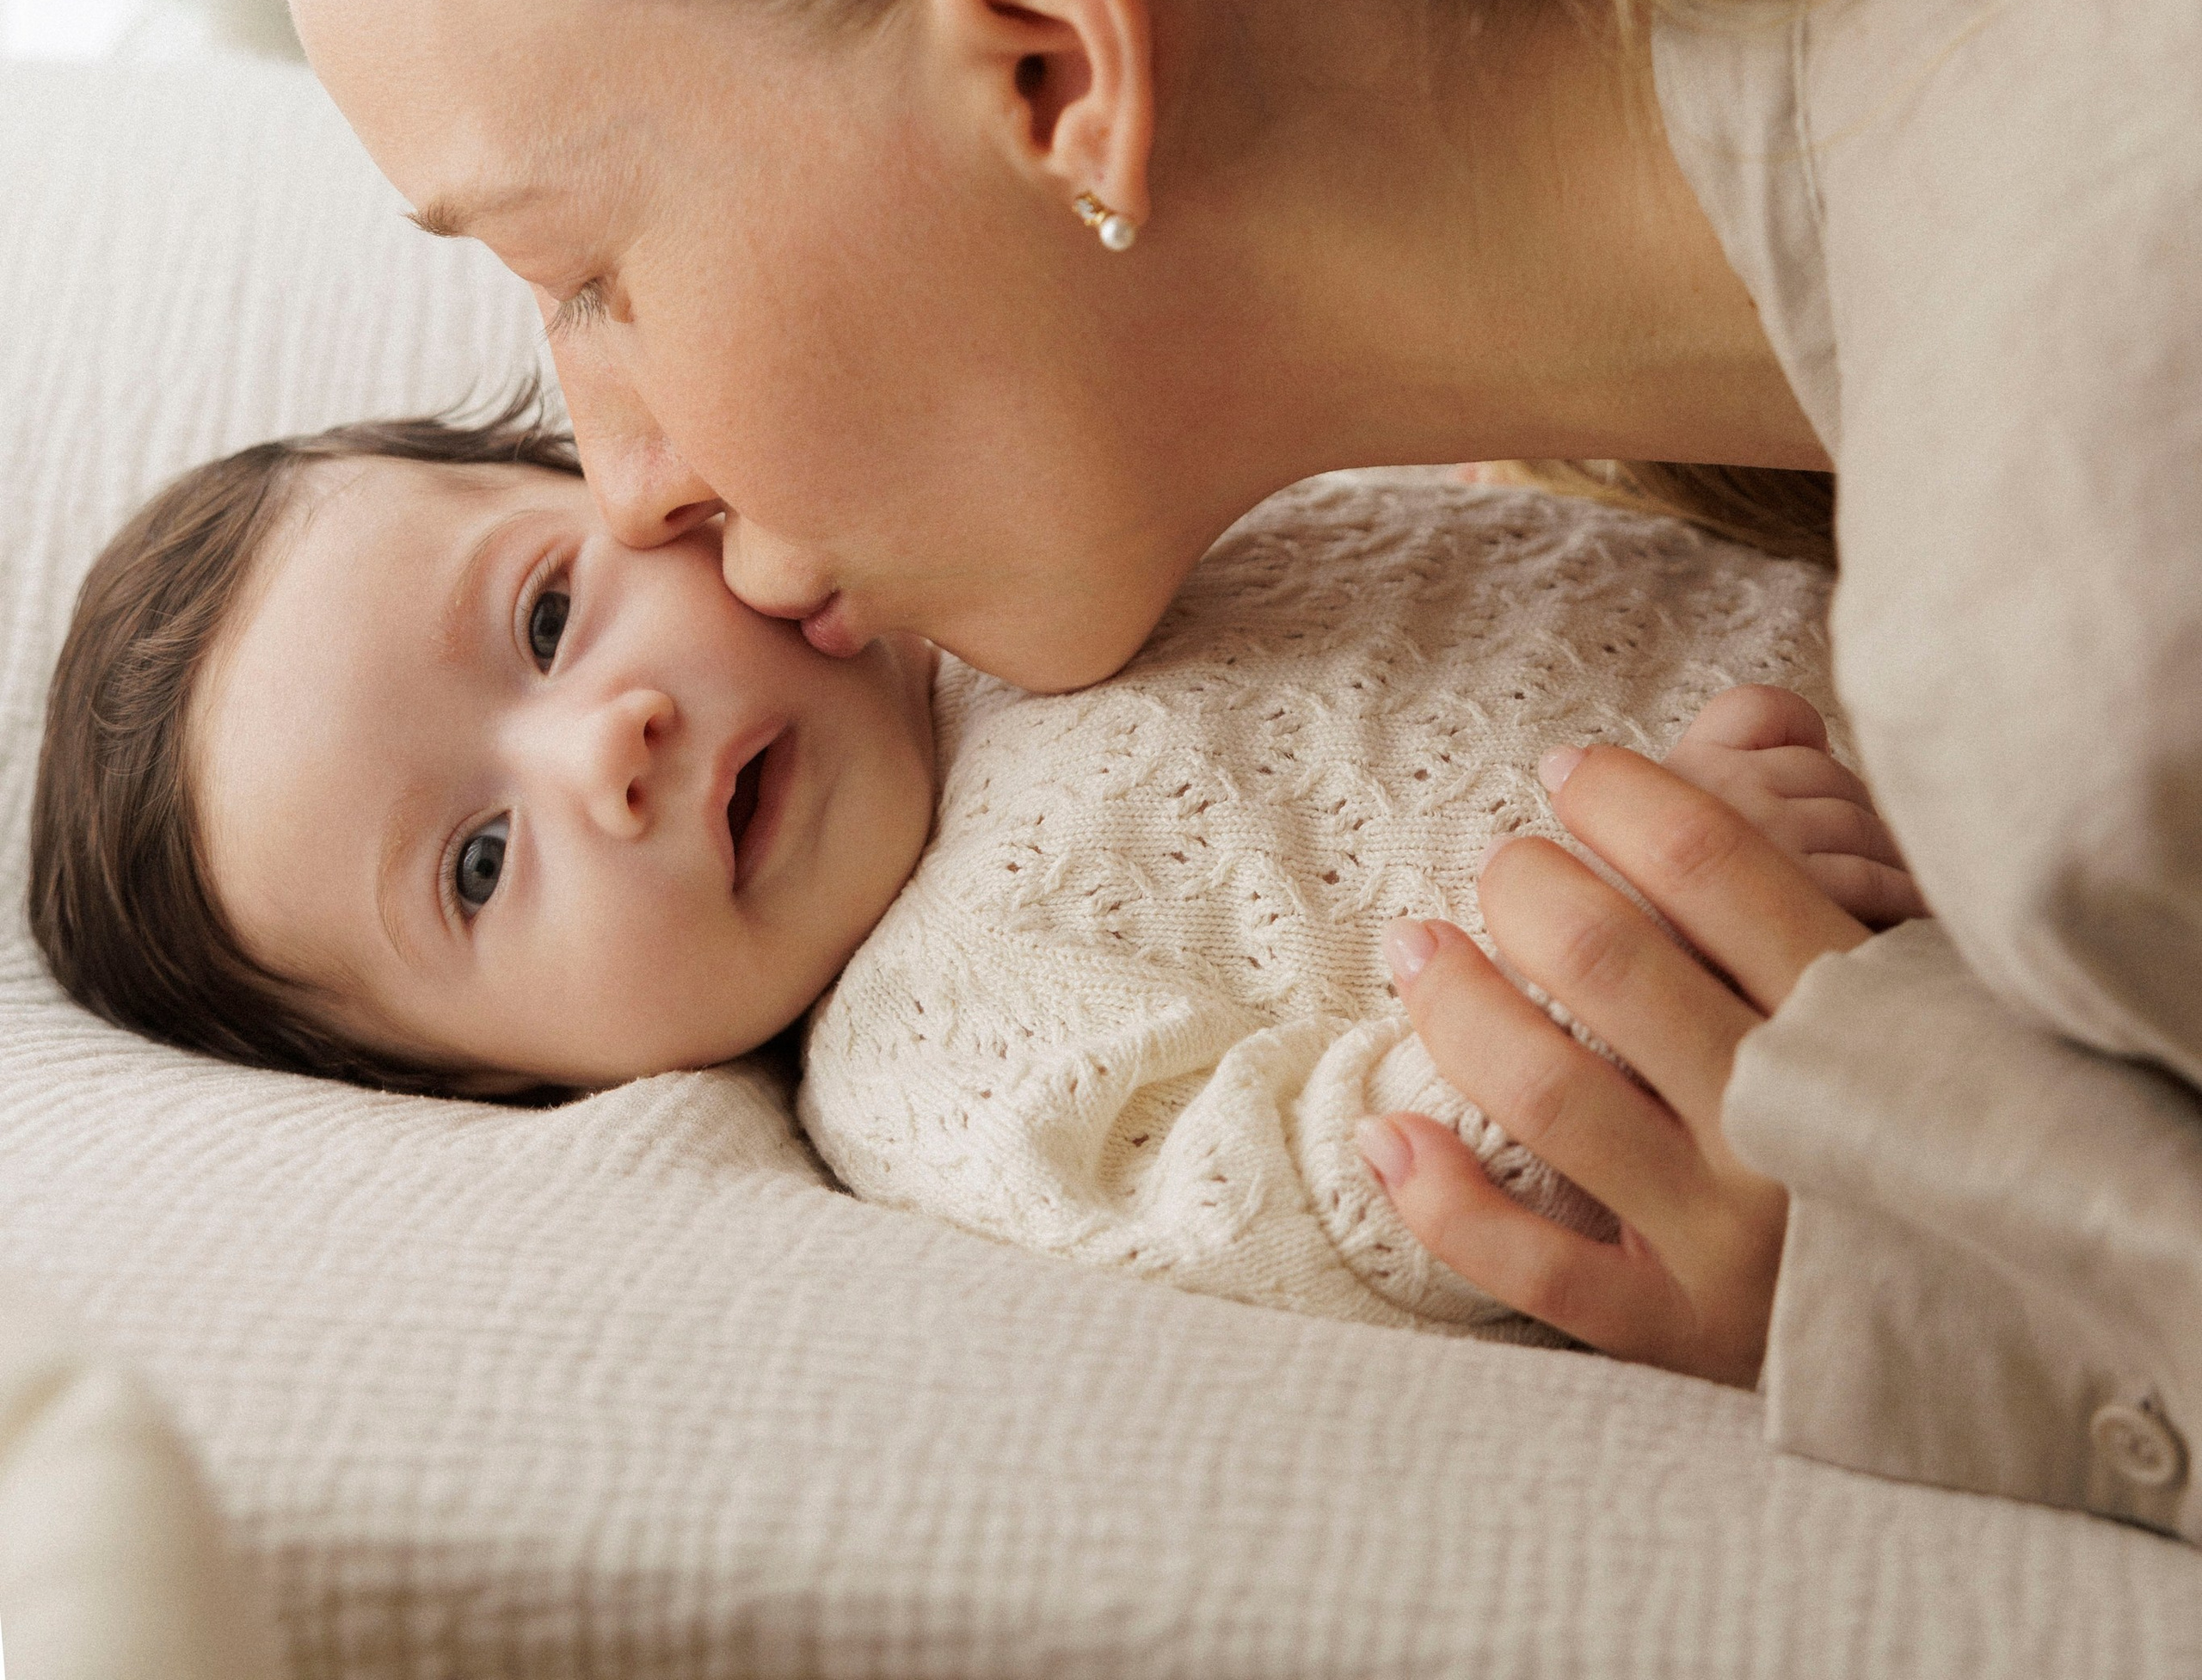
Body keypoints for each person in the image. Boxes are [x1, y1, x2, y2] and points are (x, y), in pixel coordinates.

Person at [261, 0, 2202, 1534]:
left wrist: (1984, 1277)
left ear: (1046, 68)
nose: (632, 484)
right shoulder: (1818, 378)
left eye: (583, 273)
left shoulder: (2089, 596)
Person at [29, 403, 1917, 1347]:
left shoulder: (1018, 508)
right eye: (476, 861)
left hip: (1911, 594)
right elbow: (1311, 1195)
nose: (602, 748)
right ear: (511, 1085)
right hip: (1844, 950)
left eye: (544, 617)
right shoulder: (931, 1050)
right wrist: (1647, 948)